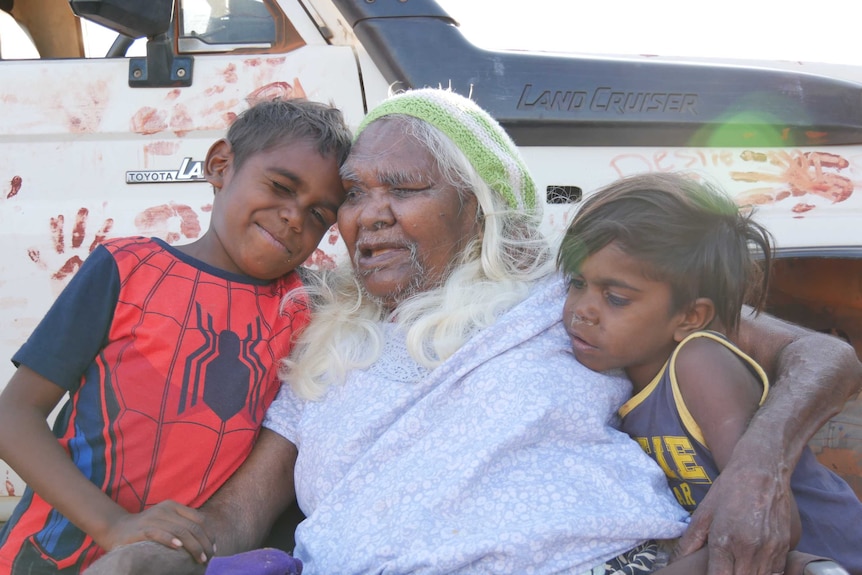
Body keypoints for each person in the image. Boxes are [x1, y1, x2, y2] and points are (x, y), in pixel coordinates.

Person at [85, 89, 862, 575]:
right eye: (353, 193)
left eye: (407, 188)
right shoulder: (323, 345)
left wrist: (754, 471)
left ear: (477, 204)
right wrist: (152, 550)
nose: (368, 213)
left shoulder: (566, 296)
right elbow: (239, 516)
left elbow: (821, 353)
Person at [0, 97, 352, 574]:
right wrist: (113, 526)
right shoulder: (127, 269)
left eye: (318, 216)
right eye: (280, 187)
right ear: (220, 165)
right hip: (51, 549)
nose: (294, 217)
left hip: (180, 562)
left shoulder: (308, 309)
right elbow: (13, 414)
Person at [557, 172, 862, 574]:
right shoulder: (620, 382)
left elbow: (769, 519)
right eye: (576, 283)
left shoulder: (698, 364)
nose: (583, 309)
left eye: (616, 298)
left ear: (690, 316)